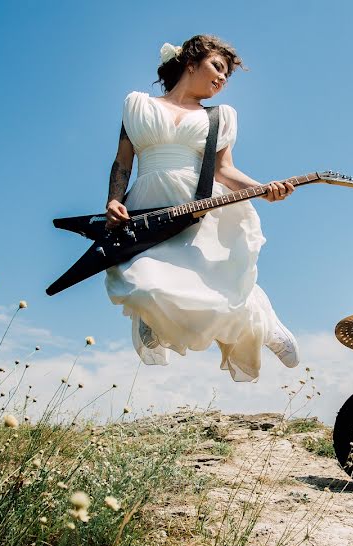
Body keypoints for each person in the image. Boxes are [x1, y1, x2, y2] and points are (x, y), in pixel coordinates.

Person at [103, 34, 299, 381]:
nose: (223, 79)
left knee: (217, 291)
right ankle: (154, 319)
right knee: (142, 285)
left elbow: (225, 170)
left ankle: (262, 323)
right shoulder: (137, 105)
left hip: (200, 211)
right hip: (147, 211)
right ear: (190, 61)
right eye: (218, 67)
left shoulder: (220, 117)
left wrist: (263, 190)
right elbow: (122, 163)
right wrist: (114, 200)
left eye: (227, 76)